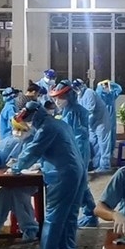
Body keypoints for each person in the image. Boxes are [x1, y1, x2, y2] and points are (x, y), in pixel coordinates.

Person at [11, 101, 87, 249]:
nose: (27, 124)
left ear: (33, 116)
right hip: (76, 171)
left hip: (63, 174)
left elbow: (34, 150)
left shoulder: (46, 128)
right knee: (69, 215)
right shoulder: (59, 123)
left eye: (27, 120)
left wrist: (16, 168)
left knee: (54, 216)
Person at [0, 117, 39, 247]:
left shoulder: (35, 143)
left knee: (13, 194)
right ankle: (29, 230)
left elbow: (40, 161)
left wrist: (30, 166)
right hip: (10, 182)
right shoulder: (7, 143)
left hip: (28, 183)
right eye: (17, 129)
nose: (18, 132)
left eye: (22, 130)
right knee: (8, 194)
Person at [50, 80, 99, 228]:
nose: (57, 101)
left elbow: (76, 135)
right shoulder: (69, 111)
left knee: (79, 183)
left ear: (69, 96)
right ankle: (90, 213)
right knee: (80, 183)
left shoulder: (75, 112)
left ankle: (89, 214)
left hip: (77, 150)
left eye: (60, 97)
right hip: (75, 149)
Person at [73, 78, 112, 172]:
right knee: (93, 143)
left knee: (103, 143)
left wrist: (82, 122)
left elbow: (89, 110)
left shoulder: (89, 93)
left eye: (77, 87)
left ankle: (105, 166)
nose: (76, 89)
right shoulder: (80, 96)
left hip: (101, 121)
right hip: (92, 122)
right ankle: (95, 164)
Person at [95, 79, 123, 156]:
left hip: (107, 120)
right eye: (105, 86)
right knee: (104, 138)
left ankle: (108, 153)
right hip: (104, 120)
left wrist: (108, 83)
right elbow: (119, 88)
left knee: (110, 137)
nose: (106, 87)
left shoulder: (110, 95)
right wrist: (111, 83)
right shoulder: (101, 94)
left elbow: (119, 89)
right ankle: (105, 154)